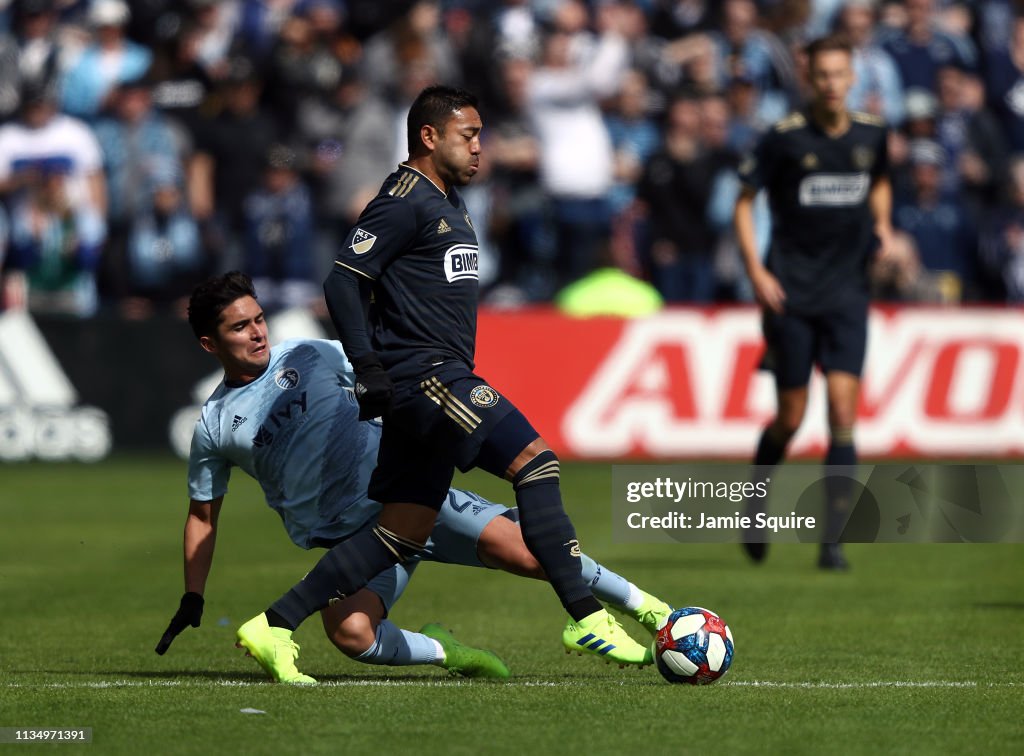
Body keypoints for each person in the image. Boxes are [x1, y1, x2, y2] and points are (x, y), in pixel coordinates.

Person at [233, 85, 654, 682]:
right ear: (429, 137)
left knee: (401, 530)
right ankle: (585, 615)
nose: (482, 147)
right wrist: (370, 365)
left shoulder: (446, 201)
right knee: (535, 464)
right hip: (426, 377)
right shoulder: (403, 199)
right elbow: (342, 281)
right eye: (470, 135)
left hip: (427, 377)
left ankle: (273, 624)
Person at [156, 272, 671, 684]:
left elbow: (387, 374)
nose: (257, 332)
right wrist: (193, 595)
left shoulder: (311, 354)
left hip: (413, 497)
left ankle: (652, 612)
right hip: (351, 542)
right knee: (353, 636)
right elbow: (203, 515)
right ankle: (448, 652)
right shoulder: (214, 426)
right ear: (209, 343)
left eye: (259, 318)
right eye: (240, 327)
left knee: (536, 554)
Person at [734, 34, 893, 570]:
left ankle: (833, 542)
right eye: (820, 74)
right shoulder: (782, 138)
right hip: (792, 295)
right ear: (809, 78)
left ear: (853, 78)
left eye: (838, 74)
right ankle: (756, 498)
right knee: (791, 417)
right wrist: (757, 271)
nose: (830, 83)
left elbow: (880, 182)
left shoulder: (872, 134)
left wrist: (885, 228)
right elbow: (743, 202)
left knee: (845, 411)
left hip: (848, 292)